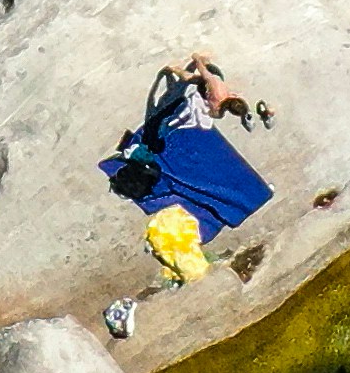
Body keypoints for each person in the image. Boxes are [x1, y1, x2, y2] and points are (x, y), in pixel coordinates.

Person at [100, 51, 274, 330]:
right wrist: (197, 67)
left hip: (184, 110)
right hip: (180, 119)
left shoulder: (207, 99)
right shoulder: (201, 100)